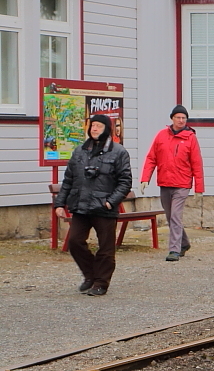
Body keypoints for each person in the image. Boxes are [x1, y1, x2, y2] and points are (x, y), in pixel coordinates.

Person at [53, 114, 132, 296]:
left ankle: (101, 282)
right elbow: (69, 180)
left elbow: (125, 182)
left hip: (104, 208)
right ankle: (90, 275)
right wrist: (60, 203)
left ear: (106, 129)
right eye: (92, 125)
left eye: (99, 126)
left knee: (105, 248)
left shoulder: (118, 152)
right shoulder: (80, 151)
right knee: (74, 242)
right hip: (81, 205)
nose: (94, 129)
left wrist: (111, 202)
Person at [140, 105, 205, 262]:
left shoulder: (190, 138)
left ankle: (174, 250)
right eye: (178, 117)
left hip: (182, 184)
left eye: (184, 118)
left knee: (176, 216)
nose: (181, 120)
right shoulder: (161, 135)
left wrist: (199, 187)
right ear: (172, 119)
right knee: (170, 217)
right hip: (165, 182)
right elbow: (151, 158)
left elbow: (197, 163)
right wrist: (145, 178)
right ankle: (184, 243)